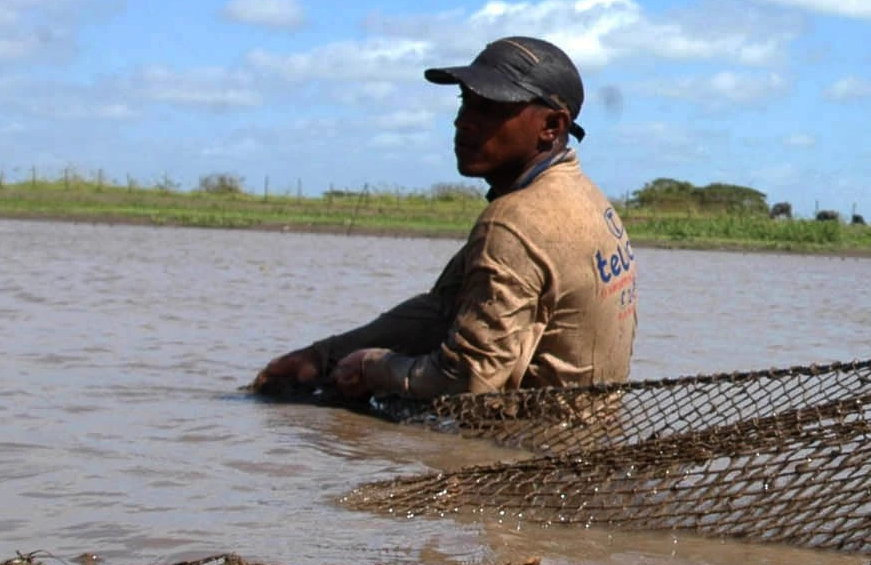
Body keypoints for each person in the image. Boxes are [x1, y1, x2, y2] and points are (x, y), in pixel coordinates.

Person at [252, 36, 637, 400]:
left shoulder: (514, 221)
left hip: (531, 440)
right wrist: (325, 356)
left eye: (489, 109)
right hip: (588, 424)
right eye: (465, 103)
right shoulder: (584, 196)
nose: (463, 122)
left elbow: (469, 378)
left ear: (552, 126)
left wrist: (372, 368)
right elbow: (442, 309)